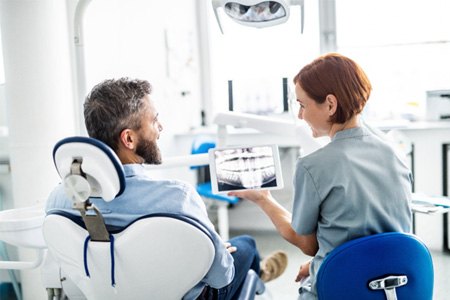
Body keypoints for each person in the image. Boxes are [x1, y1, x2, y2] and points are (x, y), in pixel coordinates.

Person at [45, 78, 288, 300]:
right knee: (245, 246)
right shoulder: (178, 198)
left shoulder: (59, 200)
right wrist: (217, 252)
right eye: (154, 120)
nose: (161, 126)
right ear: (128, 139)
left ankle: (259, 271)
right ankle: (259, 273)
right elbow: (220, 277)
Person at [228, 53, 412, 299]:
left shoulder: (313, 166)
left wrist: (263, 199)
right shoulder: (395, 154)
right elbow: (377, 237)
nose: (300, 116)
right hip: (392, 287)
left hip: (342, 289)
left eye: (302, 105)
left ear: (330, 104)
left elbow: (307, 244)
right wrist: (324, 264)